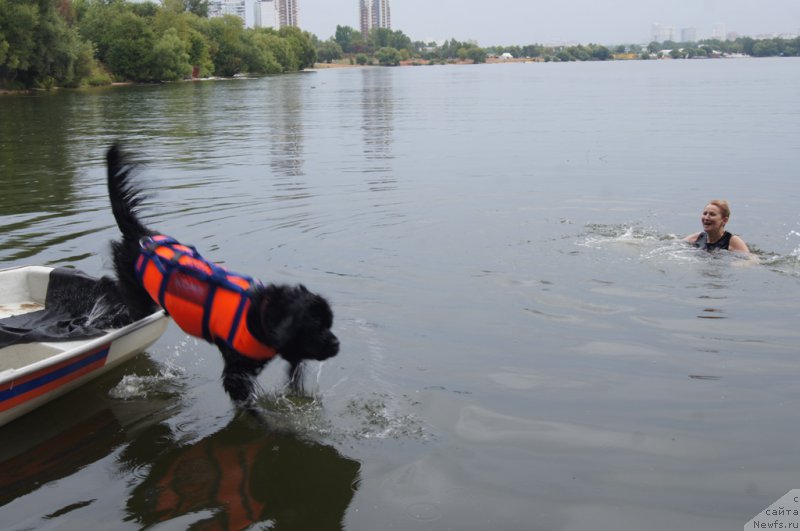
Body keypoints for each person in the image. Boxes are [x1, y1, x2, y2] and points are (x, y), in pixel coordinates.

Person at [683, 199, 750, 253]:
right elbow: (676, 245)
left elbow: (751, 259)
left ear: (724, 220)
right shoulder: (698, 237)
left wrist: (739, 264)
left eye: (712, 214)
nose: (706, 218)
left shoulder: (732, 240)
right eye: (705, 213)